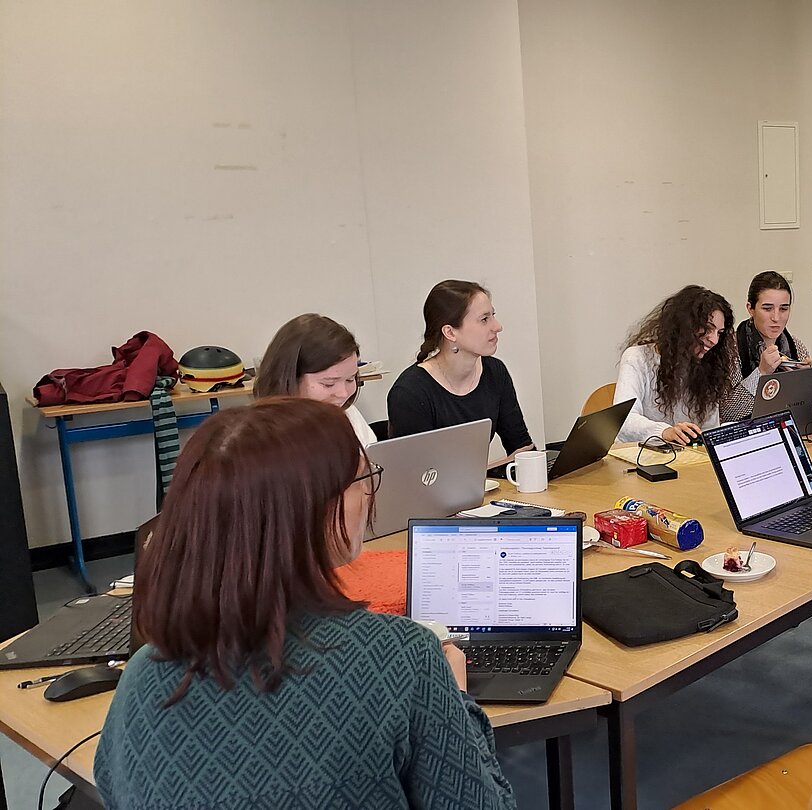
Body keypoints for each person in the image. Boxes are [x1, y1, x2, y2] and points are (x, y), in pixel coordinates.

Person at [95, 398, 515, 809]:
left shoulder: (143, 675)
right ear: (317, 508)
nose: (369, 493)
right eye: (363, 479)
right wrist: (458, 700)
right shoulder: (402, 656)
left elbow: (113, 786)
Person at [387, 280, 533, 467]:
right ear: (450, 332)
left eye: (493, 316)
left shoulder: (495, 372)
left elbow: (523, 449)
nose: (497, 326)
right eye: (484, 319)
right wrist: (483, 473)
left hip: (477, 484)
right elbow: (418, 475)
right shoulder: (410, 392)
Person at [614, 285, 736, 444]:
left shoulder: (710, 367)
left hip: (684, 455)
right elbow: (624, 421)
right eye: (707, 328)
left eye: (719, 333)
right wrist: (665, 432)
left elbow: (708, 429)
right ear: (684, 325)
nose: (714, 340)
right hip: (637, 453)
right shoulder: (637, 358)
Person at [255, 313, 377, 445]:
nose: (343, 393)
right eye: (329, 384)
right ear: (290, 379)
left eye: (350, 379)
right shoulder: (262, 434)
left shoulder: (349, 414)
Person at [720, 271, 812, 423]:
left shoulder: (796, 346)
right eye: (767, 309)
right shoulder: (731, 349)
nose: (776, 317)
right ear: (750, 308)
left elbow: (806, 409)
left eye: (783, 309)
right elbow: (726, 414)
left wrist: (806, 381)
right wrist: (761, 373)